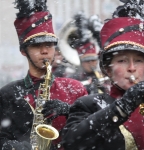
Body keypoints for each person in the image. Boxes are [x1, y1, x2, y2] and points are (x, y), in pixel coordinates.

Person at [62, 1, 144, 149]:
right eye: (122, 61)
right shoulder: (88, 105)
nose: (132, 68)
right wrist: (123, 106)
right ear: (107, 70)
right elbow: (72, 142)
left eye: (139, 61)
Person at [0, 1, 87, 150]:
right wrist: (13, 146)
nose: (45, 51)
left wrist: (70, 111)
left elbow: (94, 131)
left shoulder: (75, 88)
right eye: (36, 45)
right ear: (23, 51)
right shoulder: (8, 94)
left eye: (49, 44)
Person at [66, 12, 109, 94]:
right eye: (87, 61)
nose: (91, 63)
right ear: (81, 62)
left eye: (93, 60)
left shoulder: (104, 77)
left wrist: (103, 88)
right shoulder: (72, 78)